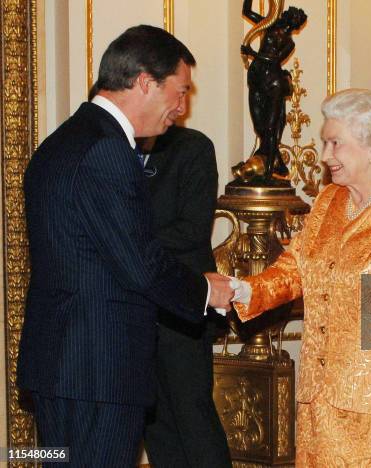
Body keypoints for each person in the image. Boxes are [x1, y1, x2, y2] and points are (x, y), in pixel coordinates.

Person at [18, 25, 234, 467]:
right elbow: (139, 263)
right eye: (180, 91)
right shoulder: (107, 149)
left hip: (61, 367)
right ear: (144, 83)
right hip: (99, 371)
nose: (181, 106)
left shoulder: (62, 141)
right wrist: (205, 291)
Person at [232, 88, 371, 467]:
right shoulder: (327, 202)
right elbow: (295, 269)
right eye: (324, 142)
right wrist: (244, 289)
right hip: (317, 401)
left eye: (336, 143)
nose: (326, 155)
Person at [140, 126, 231, 467]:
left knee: (192, 415)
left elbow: (193, 229)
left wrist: (125, 237)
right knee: (154, 421)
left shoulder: (192, 147)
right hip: (136, 308)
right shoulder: (115, 148)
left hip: (182, 310)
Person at [237, 1, 307, 183]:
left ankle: (268, 163)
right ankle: (273, 159)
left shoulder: (289, 43)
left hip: (272, 82)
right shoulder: (269, 24)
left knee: (269, 126)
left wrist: (252, 53)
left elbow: (274, 59)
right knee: (258, 121)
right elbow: (246, 11)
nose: (287, 16)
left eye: (292, 17)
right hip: (256, 77)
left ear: (294, 24)